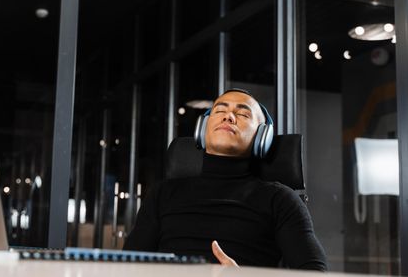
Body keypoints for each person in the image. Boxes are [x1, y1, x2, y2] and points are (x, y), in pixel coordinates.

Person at [123, 89, 327, 271]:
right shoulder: (162, 194)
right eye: (219, 111)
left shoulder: (280, 199)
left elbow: (315, 272)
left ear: (262, 137)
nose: (228, 116)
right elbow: (127, 267)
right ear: (203, 128)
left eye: (243, 113)